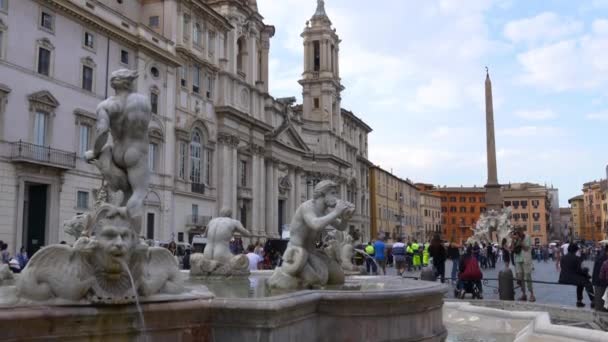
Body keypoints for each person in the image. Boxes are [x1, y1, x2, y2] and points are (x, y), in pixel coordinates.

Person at [559, 243, 595, 308]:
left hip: (563, 278)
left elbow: (563, 267)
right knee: (588, 283)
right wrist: (586, 272)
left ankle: (579, 301)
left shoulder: (563, 257)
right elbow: (579, 270)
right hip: (571, 278)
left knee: (580, 283)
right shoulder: (577, 258)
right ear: (575, 250)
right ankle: (593, 301)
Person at [512, 229, 535, 302]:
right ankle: (524, 294)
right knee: (520, 278)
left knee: (527, 276)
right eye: (516, 233)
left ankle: (532, 294)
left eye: (518, 233)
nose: (517, 234)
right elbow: (512, 249)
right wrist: (513, 240)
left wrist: (520, 241)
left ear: (522, 232)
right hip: (518, 260)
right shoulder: (516, 239)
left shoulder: (527, 237)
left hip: (525, 259)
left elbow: (526, 248)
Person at [592, 244, 608, 311]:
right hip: (602, 286)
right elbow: (601, 276)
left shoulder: (601, 257)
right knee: (602, 308)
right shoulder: (603, 259)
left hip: (599, 284)